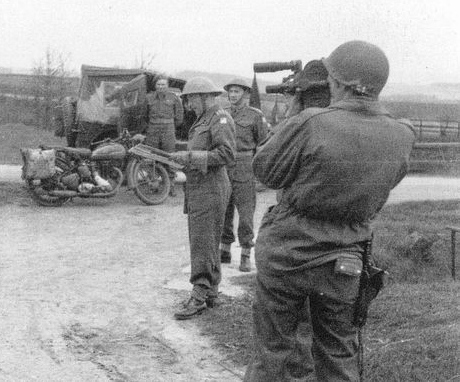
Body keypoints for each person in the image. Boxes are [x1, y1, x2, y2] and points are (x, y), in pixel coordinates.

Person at [244, 40, 416, 381]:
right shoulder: (402, 134)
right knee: (339, 353)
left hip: (288, 253)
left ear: (336, 83)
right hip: (347, 260)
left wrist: (294, 114)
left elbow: (265, 169)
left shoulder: (310, 122)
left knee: (274, 350)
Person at [169, 77, 236, 320]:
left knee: (202, 241)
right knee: (207, 240)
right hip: (200, 186)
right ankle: (212, 292)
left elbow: (227, 153)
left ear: (203, 96)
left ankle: (198, 296)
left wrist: (189, 157)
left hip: (211, 187)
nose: (188, 105)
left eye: (190, 99)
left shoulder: (220, 118)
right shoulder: (204, 119)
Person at [220, 77, 269, 271]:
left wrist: (257, 170)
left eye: (237, 92)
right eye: (230, 92)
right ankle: (224, 249)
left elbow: (263, 144)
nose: (233, 95)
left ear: (246, 94)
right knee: (224, 208)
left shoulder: (255, 116)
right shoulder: (222, 114)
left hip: (244, 164)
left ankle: (246, 253)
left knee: (246, 213)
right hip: (225, 163)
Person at [145, 76, 184, 196]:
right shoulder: (149, 97)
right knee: (151, 157)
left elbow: (179, 116)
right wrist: (152, 125)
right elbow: (145, 115)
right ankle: (154, 185)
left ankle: (170, 186)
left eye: (163, 85)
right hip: (152, 129)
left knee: (170, 156)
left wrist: (170, 126)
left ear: (167, 86)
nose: (161, 87)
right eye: (158, 85)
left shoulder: (173, 98)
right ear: (155, 86)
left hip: (168, 129)